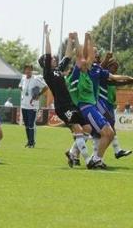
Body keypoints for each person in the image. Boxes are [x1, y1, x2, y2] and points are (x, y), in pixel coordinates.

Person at [38, 26, 92, 168]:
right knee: (78, 130)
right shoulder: (48, 74)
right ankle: (88, 160)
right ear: (46, 63)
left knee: (87, 128)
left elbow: (68, 56)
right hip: (62, 107)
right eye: (51, 59)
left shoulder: (57, 70)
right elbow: (48, 52)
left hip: (70, 104)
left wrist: (70, 40)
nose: (55, 58)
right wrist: (47, 36)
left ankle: (71, 152)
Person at [67, 32, 115, 168]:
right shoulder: (77, 73)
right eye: (84, 58)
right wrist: (77, 39)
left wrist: (89, 39)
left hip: (92, 107)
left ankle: (93, 158)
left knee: (110, 134)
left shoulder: (87, 71)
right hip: (85, 108)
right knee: (106, 133)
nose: (86, 60)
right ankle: (95, 159)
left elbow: (91, 57)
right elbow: (80, 55)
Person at [98, 53, 133, 159]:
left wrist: (129, 81)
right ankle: (116, 151)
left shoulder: (110, 78)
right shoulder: (104, 75)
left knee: (110, 127)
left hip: (108, 104)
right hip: (101, 103)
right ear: (108, 66)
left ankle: (74, 152)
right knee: (107, 127)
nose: (115, 69)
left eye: (117, 68)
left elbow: (117, 83)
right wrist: (129, 79)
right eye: (114, 67)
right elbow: (116, 81)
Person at [19, 64, 47, 148]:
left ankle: (32, 143)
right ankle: (29, 141)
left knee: (31, 124)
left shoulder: (36, 79)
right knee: (27, 124)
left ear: (32, 70)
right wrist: (24, 91)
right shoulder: (23, 78)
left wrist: (39, 94)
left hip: (33, 105)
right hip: (24, 105)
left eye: (30, 69)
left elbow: (45, 87)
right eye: (27, 69)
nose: (28, 71)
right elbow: (20, 86)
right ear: (24, 70)